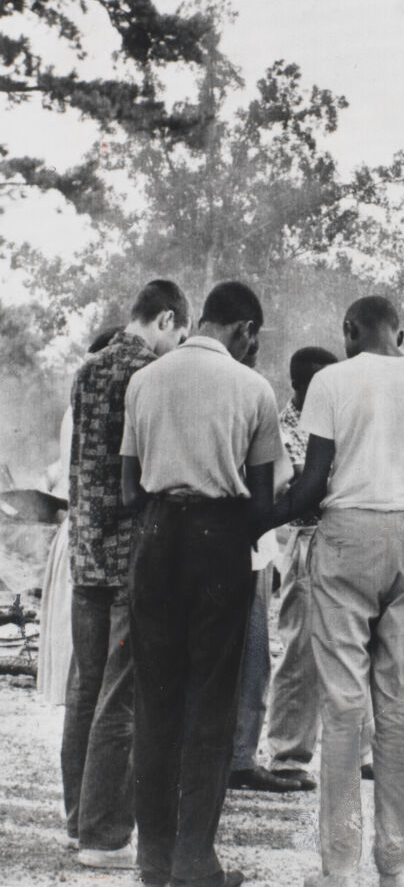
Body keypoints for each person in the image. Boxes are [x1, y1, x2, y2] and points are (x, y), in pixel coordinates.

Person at [268, 295, 404, 887]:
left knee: (342, 706)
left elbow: (312, 484)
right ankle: (398, 866)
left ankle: (339, 868)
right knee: (397, 706)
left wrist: (264, 516)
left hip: (346, 539)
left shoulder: (331, 382)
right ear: (402, 332)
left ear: (349, 330)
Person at [121, 280, 285, 887]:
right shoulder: (254, 389)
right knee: (211, 701)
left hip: (157, 537)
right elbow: (263, 504)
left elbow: (127, 489)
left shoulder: (146, 379)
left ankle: (153, 858)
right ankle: (196, 860)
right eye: (253, 340)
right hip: (221, 541)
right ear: (244, 330)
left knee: (155, 699)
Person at [62, 284, 190, 869]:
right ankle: (106, 834)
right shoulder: (153, 376)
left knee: (85, 690)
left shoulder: (86, 371)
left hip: (83, 553)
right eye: (179, 335)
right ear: (167, 318)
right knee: (121, 698)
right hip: (126, 555)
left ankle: (77, 819)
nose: (177, 347)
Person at [264, 347, 374, 790]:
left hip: (347, 537)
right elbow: (300, 486)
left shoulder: (338, 416)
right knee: (301, 649)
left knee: (356, 645)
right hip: (307, 540)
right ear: (300, 385)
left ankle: (363, 751)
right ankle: (289, 754)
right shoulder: (282, 426)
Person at [227, 339, 301, 794]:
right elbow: (281, 476)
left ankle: (218, 756)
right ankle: (237, 757)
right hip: (249, 546)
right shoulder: (254, 394)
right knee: (252, 658)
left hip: (193, 541)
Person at [39, 327, 122, 708]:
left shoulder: (80, 409)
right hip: (88, 535)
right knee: (88, 665)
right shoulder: (87, 412)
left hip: (78, 531)